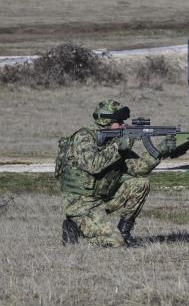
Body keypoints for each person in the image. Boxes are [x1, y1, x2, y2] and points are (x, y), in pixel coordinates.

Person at [58, 100, 175, 247]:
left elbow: (138, 168)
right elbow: (93, 165)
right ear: (106, 121)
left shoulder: (114, 140)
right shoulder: (84, 137)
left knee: (141, 183)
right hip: (81, 204)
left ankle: (124, 232)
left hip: (102, 196)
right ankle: (74, 225)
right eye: (119, 122)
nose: (123, 125)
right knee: (116, 242)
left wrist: (161, 150)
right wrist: (117, 147)